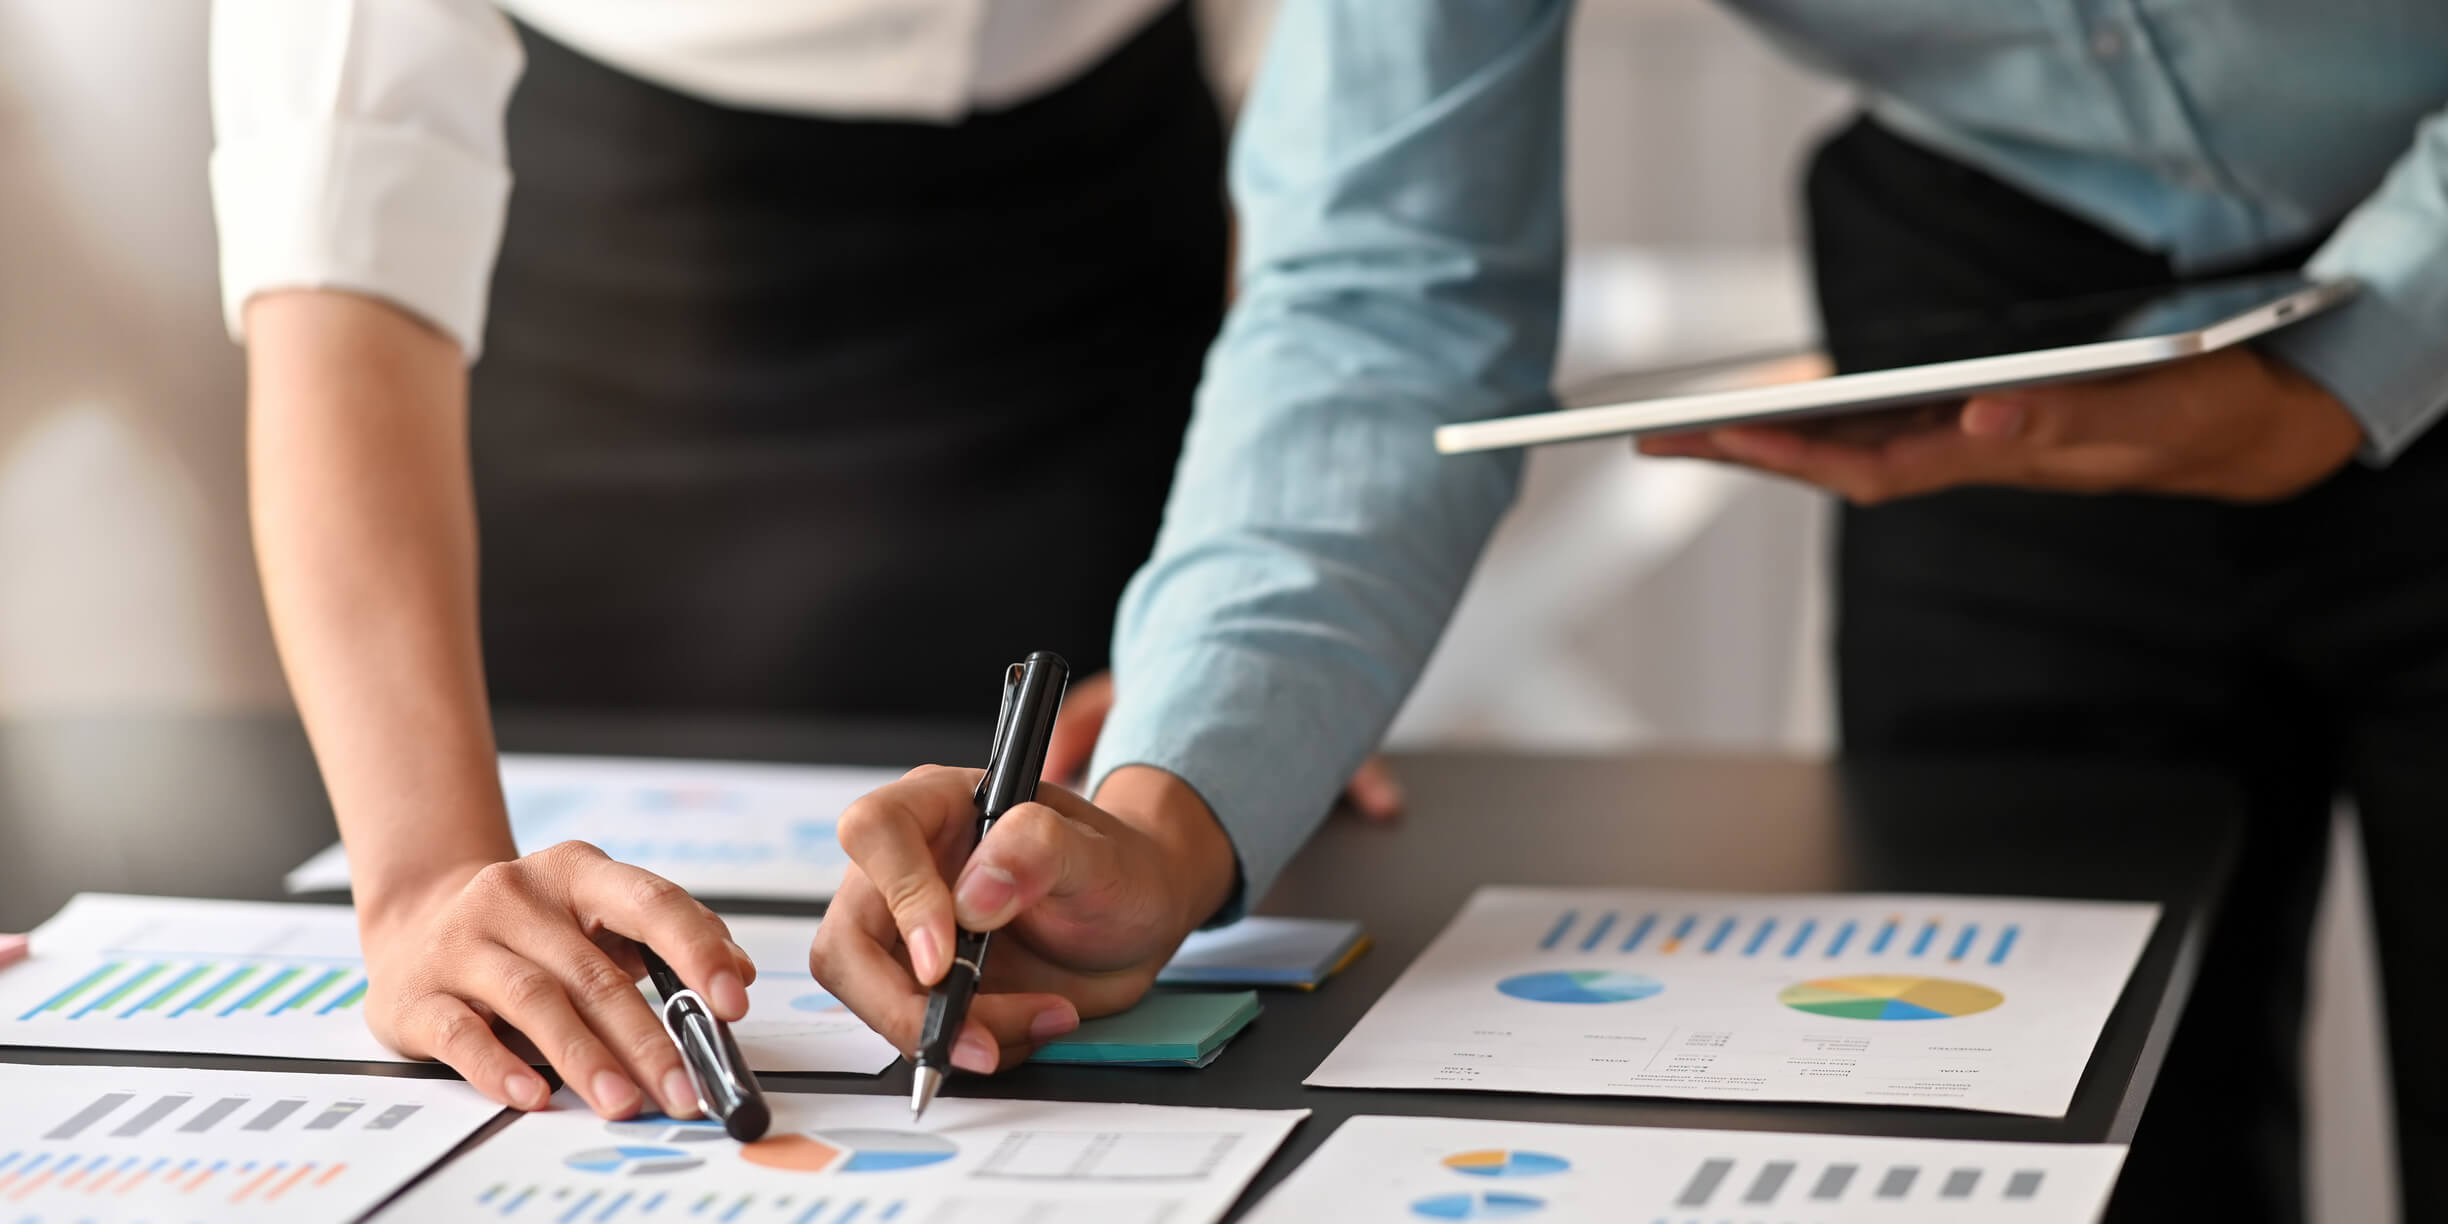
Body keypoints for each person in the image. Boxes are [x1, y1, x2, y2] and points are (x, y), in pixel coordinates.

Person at [810, 3, 2448, 1220]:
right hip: (2007, 331)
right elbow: (1385, 281)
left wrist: (2368, 341)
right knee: (2087, 1157)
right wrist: (1167, 821)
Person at [209, 0, 1311, 1125]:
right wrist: (426, 878)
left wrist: (1224, 651)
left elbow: (1350, 199)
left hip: (1121, 317)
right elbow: (337, 254)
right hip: (631, 335)